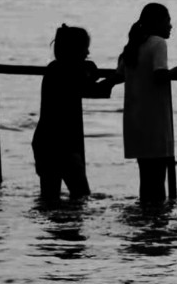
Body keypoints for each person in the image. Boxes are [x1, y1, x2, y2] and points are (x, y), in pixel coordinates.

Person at [113, 3, 177, 204]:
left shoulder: (134, 44)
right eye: (167, 21)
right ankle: (156, 217)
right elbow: (159, 75)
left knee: (146, 177)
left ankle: (146, 214)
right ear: (156, 23)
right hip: (155, 120)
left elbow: (119, 75)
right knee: (157, 179)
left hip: (135, 119)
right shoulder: (158, 43)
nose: (171, 26)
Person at [31, 24, 115, 203]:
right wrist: (114, 79)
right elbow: (94, 90)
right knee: (80, 195)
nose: (88, 52)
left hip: (44, 142)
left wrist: (90, 70)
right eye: (85, 48)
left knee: (49, 199)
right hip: (63, 145)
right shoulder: (70, 72)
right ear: (75, 50)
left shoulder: (54, 68)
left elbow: (86, 80)